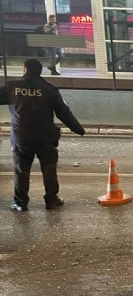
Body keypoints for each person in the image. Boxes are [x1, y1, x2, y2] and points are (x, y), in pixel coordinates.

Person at [0, 58, 85, 212]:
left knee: (21, 170)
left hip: (22, 137)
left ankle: (20, 203)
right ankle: (51, 200)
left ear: (25, 70)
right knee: (49, 168)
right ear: (40, 72)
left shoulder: (12, 87)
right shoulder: (49, 90)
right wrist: (78, 129)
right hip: (45, 137)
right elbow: (64, 113)